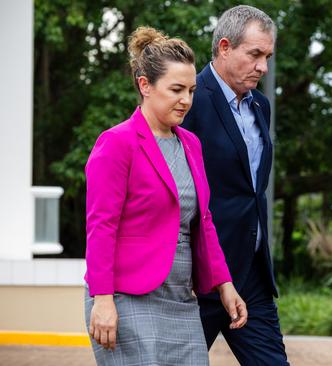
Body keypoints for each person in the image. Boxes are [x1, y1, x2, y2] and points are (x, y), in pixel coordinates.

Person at [84, 26, 247, 366]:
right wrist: (102, 299)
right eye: (176, 89)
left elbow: (203, 222)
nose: (186, 100)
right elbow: (102, 226)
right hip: (126, 298)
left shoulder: (191, 144)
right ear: (145, 86)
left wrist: (224, 283)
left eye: (190, 90)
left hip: (180, 299)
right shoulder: (116, 143)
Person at [182, 5, 289, 365]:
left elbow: (252, 188)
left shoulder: (261, 105)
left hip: (252, 273)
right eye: (255, 54)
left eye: (268, 56)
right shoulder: (189, 101)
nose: (263, 67)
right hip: (199, 278)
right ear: (225, 47)